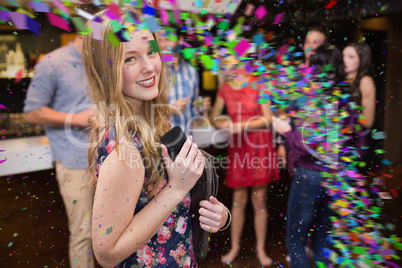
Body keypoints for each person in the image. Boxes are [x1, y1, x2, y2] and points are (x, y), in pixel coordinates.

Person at [82, 7, 230, 267]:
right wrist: (177, 188)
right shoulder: (125, 150)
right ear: (106, 70)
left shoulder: (155, 120)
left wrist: (217, 215)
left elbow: (167, 208)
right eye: (130, 59)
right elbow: (106, 253)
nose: (150, 67)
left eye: (151, 52)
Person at [273, 45, 351, 267]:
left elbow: (307, 145)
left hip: (310, 176)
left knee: (295, 240)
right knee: (322, 240)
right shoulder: (342, 99)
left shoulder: (316, 100)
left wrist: (285, 130)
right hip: (335, 178)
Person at [24, 35, 96, 267]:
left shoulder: (103, 60)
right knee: (84, 234)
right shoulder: (53, 62)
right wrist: (76, 118)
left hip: (108, 159)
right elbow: (32, 112)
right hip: (75, 162)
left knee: (109, 232)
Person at [210, 65, 280, 266]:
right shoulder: (225, 88)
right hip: (239, 146)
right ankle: (234, 248)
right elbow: (214, 115)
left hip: (259, 144)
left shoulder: (259, 82)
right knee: (238, 199)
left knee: (259, 200)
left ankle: (261, 249)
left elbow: (268, 119)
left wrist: (240, 125)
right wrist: (221, 122)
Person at [157, 27, 211, 135]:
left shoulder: (191, 72)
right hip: (160, 143)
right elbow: (141, 111)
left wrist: (201, 108)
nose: (162, 44)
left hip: (187, 142)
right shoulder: (154, 70)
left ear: (180, 40)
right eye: (159, 40)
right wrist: (170, 110)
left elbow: (194, 114)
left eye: (167, 38)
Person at [342, 43, 376, 129]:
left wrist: (347, 110)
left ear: (361, 61)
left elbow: (368, 121)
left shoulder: (366, 81)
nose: (344, 60)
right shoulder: (340, 81)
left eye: (351, 57)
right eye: (343, 55)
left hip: (356, 139)